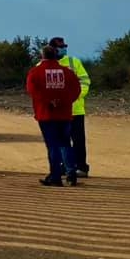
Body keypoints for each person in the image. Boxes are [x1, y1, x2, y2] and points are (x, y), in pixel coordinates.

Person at [26, 45, 82, 186]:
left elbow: (33, 91)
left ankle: (55, 176)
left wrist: (49, 102)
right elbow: (77, 90)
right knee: (65, 143)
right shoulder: (68, 73)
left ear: (42, 56)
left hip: (46, 114)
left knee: (52, 146)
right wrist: (64, 102)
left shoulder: (35, 72)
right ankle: (71, 175)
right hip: (64, 114)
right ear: (56, 55)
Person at [48, 36, 91, 177]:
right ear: (52, 49)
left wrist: (77, 96)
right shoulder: (44, 65)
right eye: (61, 47)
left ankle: (81, 167)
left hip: (75, 109)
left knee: (78, 140)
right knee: (59, 141)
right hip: (56, 111)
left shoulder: (74, 62)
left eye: (65, 46)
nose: (64, 49)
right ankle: (63, 166)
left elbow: (85, 81)